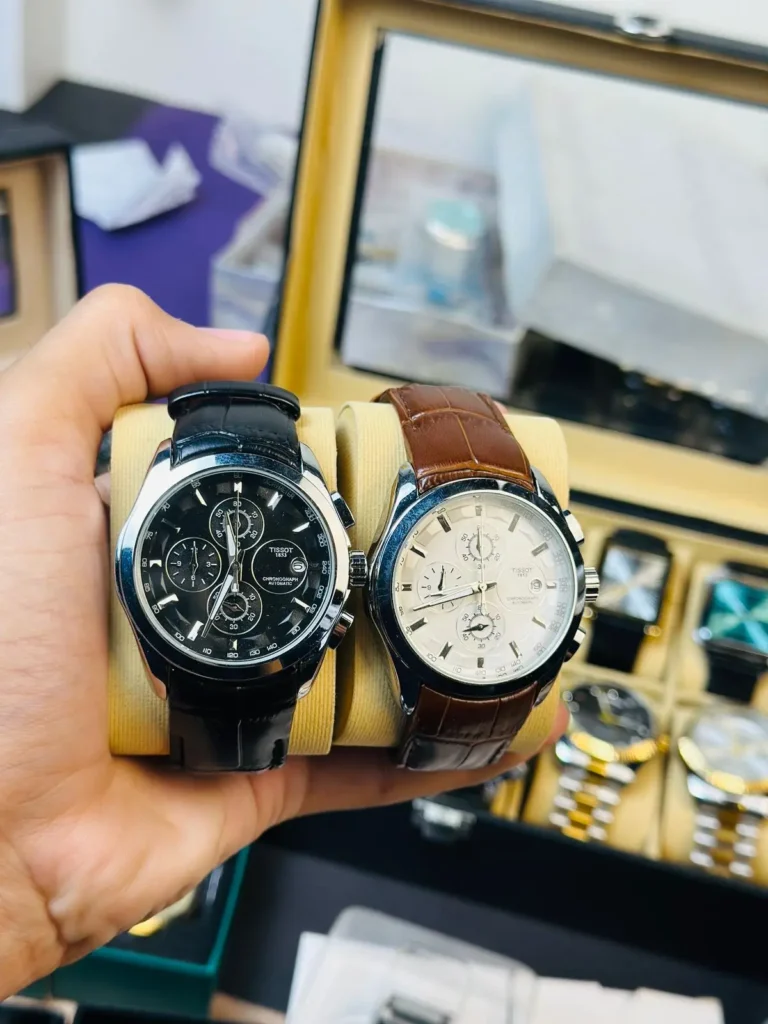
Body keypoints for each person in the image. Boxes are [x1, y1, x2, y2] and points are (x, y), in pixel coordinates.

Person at [0, 284, 566, 995]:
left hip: (260, 648)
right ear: (131, 558)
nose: (235, 571)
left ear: (346, 561)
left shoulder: (327, 560)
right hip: (190, 657)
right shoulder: (163, 509)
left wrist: (18, 874)